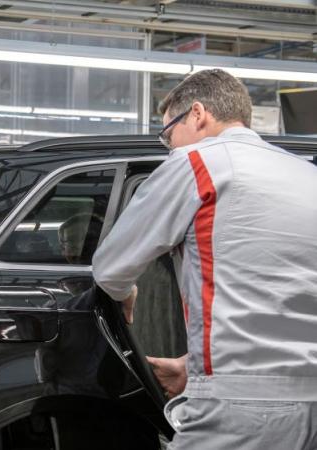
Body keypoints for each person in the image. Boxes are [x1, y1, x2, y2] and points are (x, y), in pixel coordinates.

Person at [92, 69, 317, 449]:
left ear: (197, 114)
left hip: (239, 404)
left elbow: (111, 267)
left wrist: (124, 292)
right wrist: (192, 366)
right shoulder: (306, 174)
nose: (170, 146)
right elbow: (282, 292)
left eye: (168, 134)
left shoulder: (198, 163)